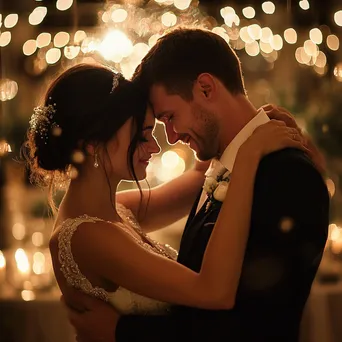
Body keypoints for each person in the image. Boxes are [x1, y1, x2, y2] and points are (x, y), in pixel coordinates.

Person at [63, 29, 330, 342]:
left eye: (170, 117)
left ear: (205, 88)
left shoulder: (287, 176)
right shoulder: (223, 166)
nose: (171, 138)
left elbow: (256, 327)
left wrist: (123, 332)